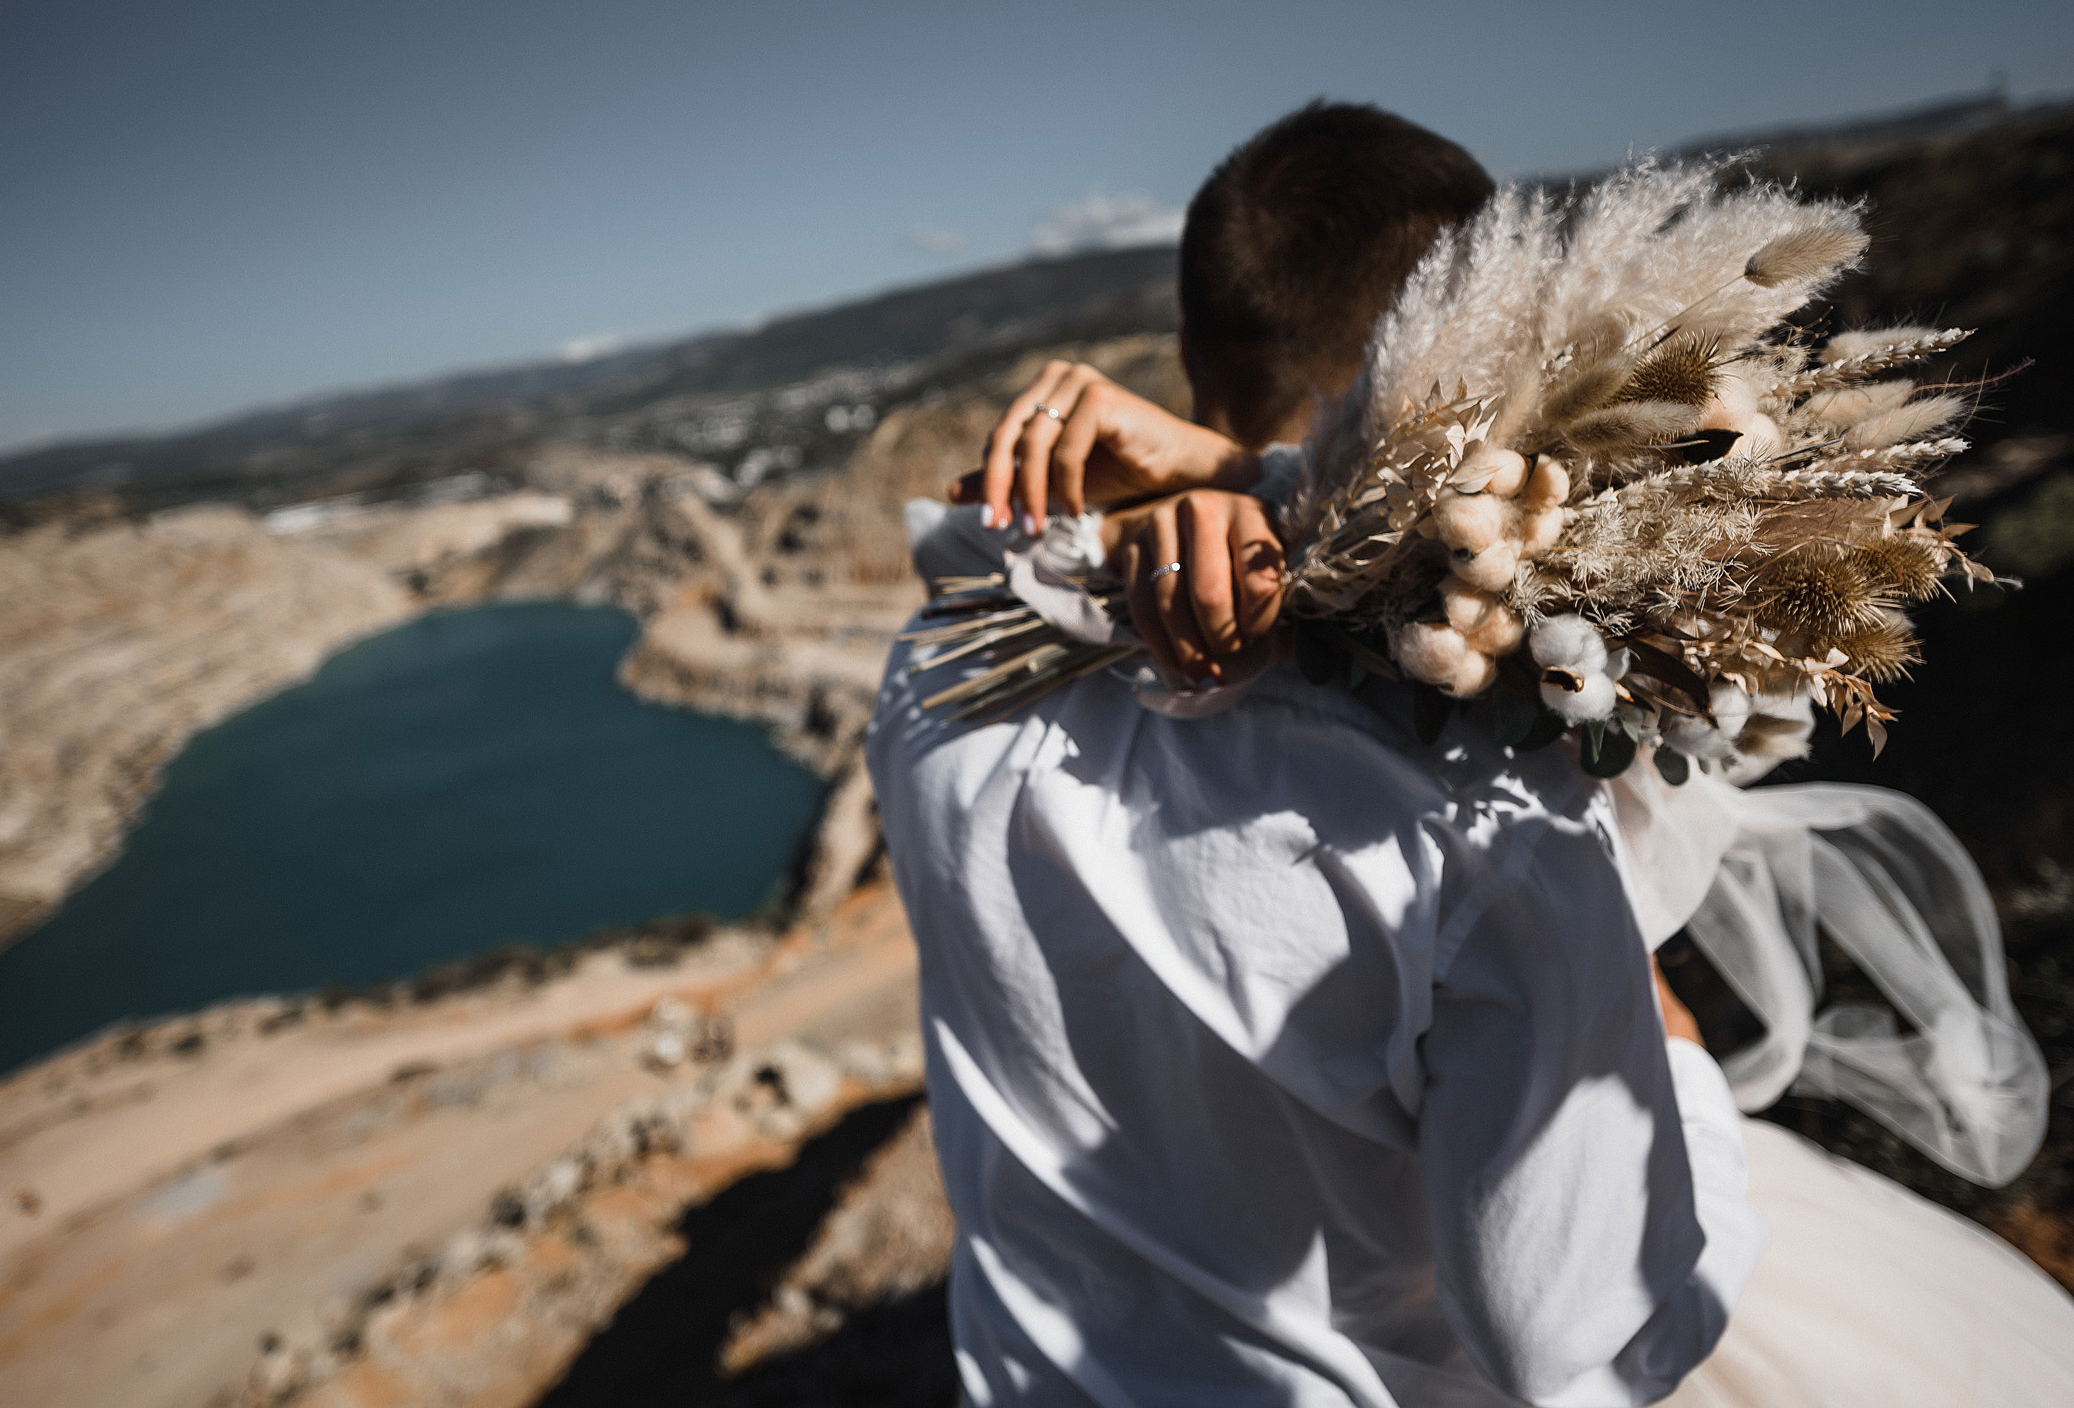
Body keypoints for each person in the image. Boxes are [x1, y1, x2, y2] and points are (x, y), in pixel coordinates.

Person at [878, 102, 2074, 1406]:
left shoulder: (939, 669)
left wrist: (1221, 484)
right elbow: (1584, 1354)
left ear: (1183, 349)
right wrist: (1677, 1069)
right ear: (1501, 357)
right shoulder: (1485, 804)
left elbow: (980, 553)